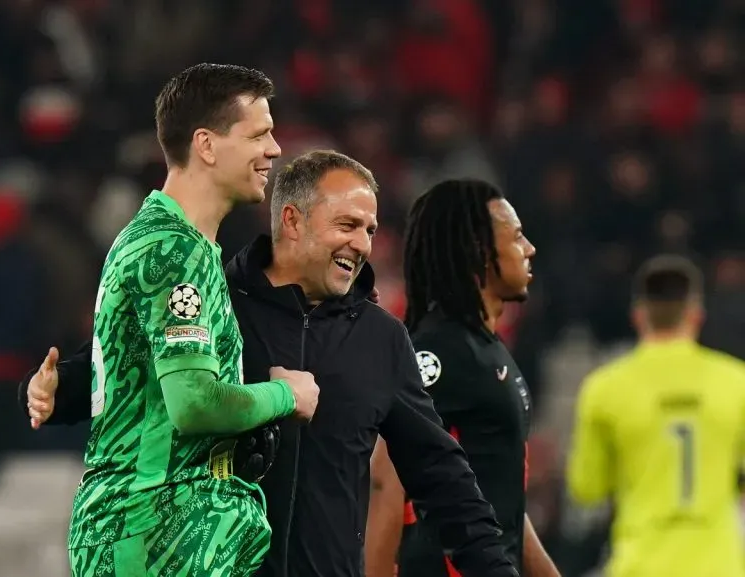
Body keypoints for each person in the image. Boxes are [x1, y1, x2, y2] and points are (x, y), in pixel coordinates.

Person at [25, 151, 520, 577]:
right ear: (291, 221)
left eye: (369, 229)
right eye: (346, 225)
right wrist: (61, 388)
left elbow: (440, 473)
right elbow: (132, 368)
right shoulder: (219, 301)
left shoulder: (381, 340)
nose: (363, 244)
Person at [36, 63, 321, 577]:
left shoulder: (187, 247)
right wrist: (287, 395)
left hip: (169, 531)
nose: (275, 149)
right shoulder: (171, 251)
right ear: (207, 146)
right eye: (259, 134)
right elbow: (194, 404)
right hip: (152, 533)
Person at [366, 178, 561, 577]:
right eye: (517, 237)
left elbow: (506, 504)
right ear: (479, 251)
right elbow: (388, 480)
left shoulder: (488, 349)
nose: (530, 249)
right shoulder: (436, 352)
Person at [566, 255, 745, 577]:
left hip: (640, 565)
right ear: (695, 315)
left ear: (638, 316)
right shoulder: (736, 382)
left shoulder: (605, 388)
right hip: (720, 566)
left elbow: (586, 487)